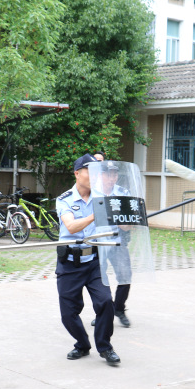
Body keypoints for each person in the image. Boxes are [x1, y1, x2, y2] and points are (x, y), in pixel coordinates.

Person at [55, 153, 120, 366]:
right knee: (69, 313)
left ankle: (105, 347)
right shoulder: (64, 199)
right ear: (77, 173)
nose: (94, 176)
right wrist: (97, 214)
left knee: (105, 302)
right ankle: (82, 344)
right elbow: (71, 226)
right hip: (69, 263)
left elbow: (119, 225)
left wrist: (128, 218)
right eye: (89, 171)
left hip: (94, 261)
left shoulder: (102, 197)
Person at [91, 156, 132, 328]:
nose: (112, 178)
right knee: (99, 279)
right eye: (108, 174)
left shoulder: (123, 193)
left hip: (117, 240)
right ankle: (102, 313)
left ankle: (119, 308)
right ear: (100, 175)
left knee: (125, 276)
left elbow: (129, 224)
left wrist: (123, 222)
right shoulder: (92, 192)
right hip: (97, 242)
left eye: (114, 174)